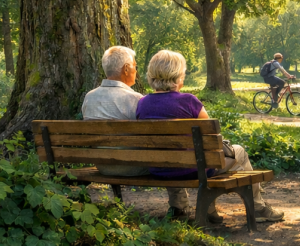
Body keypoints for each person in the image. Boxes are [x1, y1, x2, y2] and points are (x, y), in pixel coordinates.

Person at [137, 50, 284, 223]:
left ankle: (181, 207)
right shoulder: (189, 101)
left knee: (175, 156)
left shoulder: (142, 103)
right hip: (194, 170)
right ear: (178, 75)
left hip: (159, 169)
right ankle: (258, 208)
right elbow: (212, 138)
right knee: (238, 153)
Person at [81, 46, 189, 218]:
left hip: (103, 165)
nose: (136, 70)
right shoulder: (135, 99)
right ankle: (179, 205)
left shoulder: (89, 97)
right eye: (135, 66)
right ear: (126, 68)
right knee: (166, 149)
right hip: (135, 166)